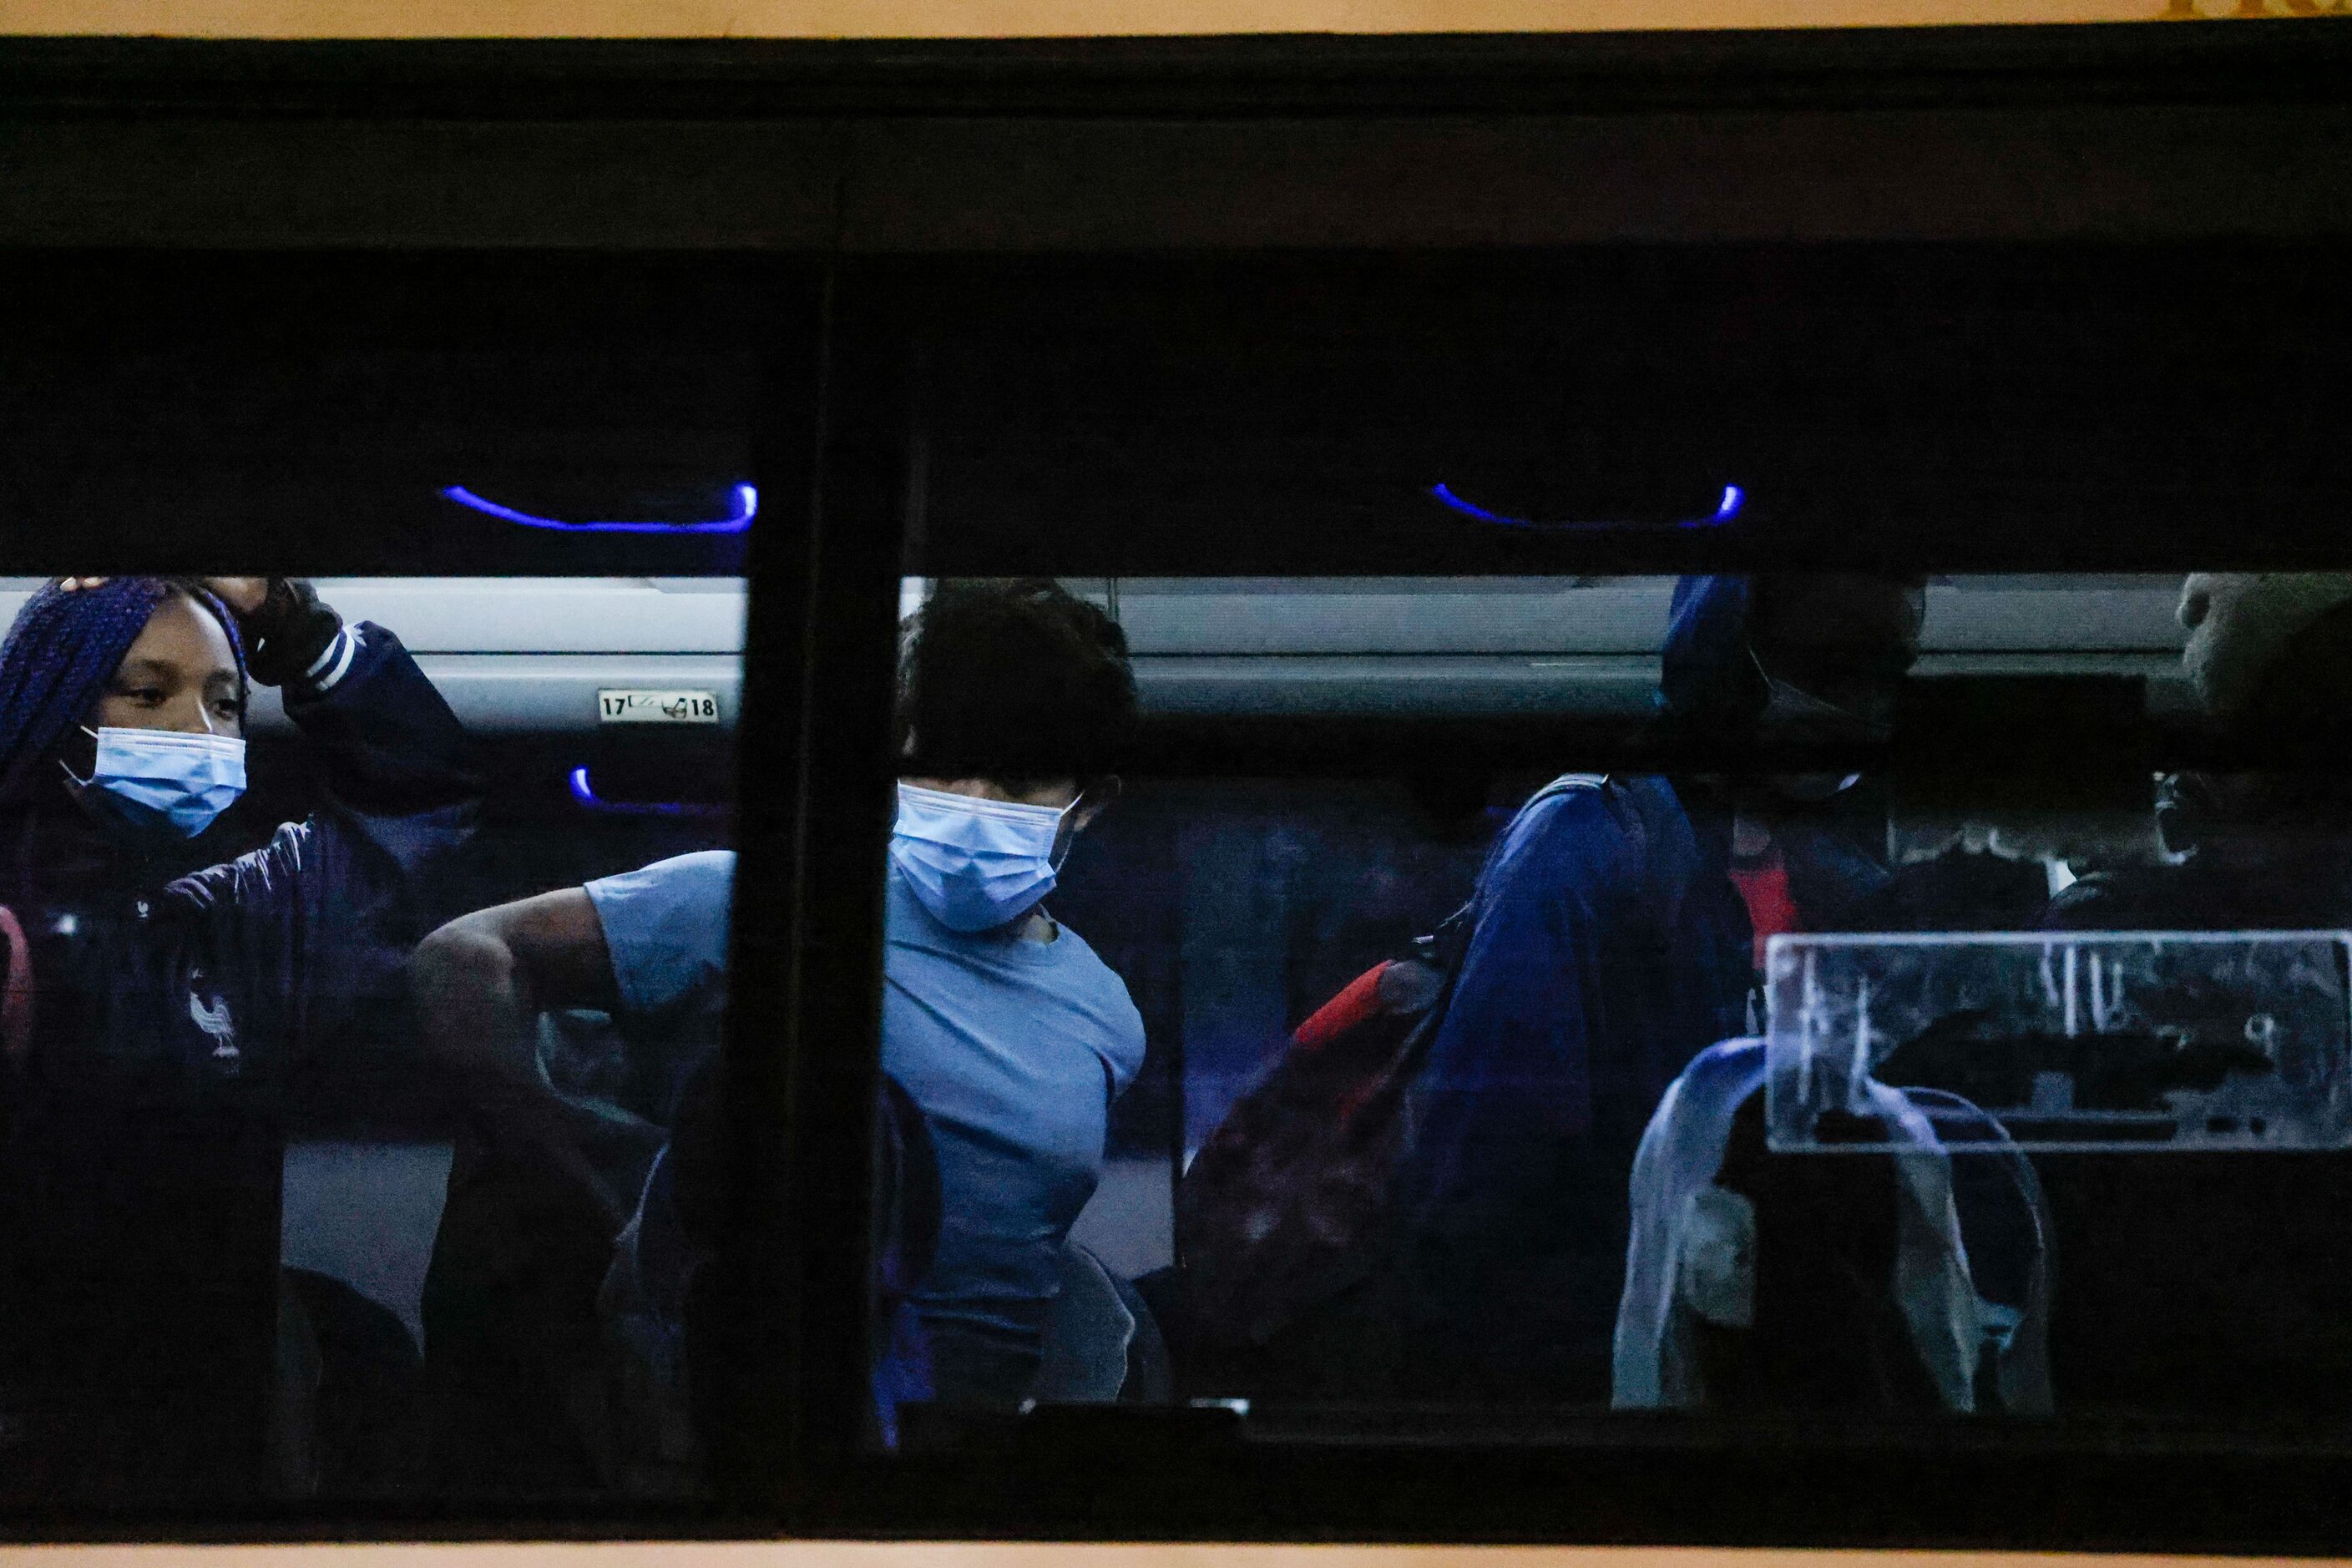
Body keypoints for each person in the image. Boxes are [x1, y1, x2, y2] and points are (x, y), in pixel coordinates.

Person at [410, 577, 1148, 1428]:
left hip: (977, 1447)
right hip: (767, 1418)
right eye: (943, 758)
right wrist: (565, 1161)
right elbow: (459, 959)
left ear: (1089, 805)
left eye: (1019, 777)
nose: (975, 800)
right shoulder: (769, 900)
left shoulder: (1106, 1017)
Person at [1388, 573, 1928, 1405]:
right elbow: (1476, 1209)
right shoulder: (1586, 856)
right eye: (1830, 664)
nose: (1859, 702)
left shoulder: (1818, 879)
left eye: (1887, 670)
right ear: (1725, 657)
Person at [0, 574, 478, 1499]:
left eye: (225, 705)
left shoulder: (233, 926)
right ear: (53, 702)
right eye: (147, 694)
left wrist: (287, 622)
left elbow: (420, 799)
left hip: (205, 1435)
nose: (198, 732)